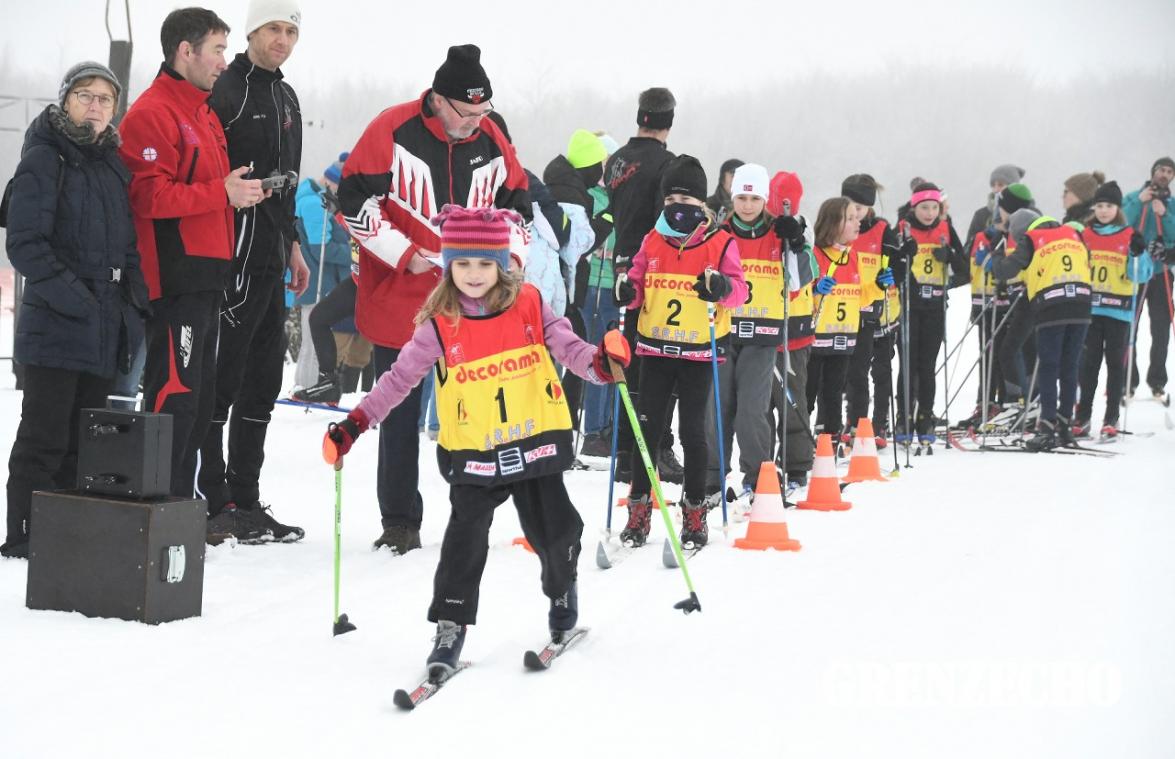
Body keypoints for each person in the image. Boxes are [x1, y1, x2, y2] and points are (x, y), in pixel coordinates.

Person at [321, 206, 629, 677]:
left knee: (556, 531)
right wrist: (356, 423)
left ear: (502, 264)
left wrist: (601, 364)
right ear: (448, 266)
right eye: (462, 264)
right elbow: (398, 379)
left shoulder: (529, 302)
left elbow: (568, 347)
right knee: (463, 543)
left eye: (484, 264)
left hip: (534, 440)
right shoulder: (439, 323)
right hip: (475, 449)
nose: (473, 274)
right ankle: (450, 626)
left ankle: (562, 593)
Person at [335, 44, 530, 554]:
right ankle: (399, 520)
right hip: (402, 298)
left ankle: (478, 506)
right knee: (397, 411)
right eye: (469, 113)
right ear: (439, 101)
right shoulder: (393, 128)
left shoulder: (490, 137)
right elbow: (352, 200)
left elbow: (519, 206)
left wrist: (512, 262)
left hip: (473, 301)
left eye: (485, 112)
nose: (477, 123)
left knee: (480, 405)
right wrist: (404, 254)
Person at [2, 63, 148, 560]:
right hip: (56, 323)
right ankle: (24, 537)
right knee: (43, 436)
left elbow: (126, 248)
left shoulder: (111, 164)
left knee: (84, 443)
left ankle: (63, 531)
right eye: (85, 95)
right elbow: (25, 245)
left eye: (105, 99)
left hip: (104, 325)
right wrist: (78, 300)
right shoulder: (44, 157)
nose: (95, 106)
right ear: (66, 100)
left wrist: (134, 302)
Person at [119, 8, 255, 516]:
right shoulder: (153, 112)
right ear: (185, 51)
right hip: (174, 278)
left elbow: (208, 194)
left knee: (197, 401)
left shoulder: (203, 112)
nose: (225, 61)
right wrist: (221, 192)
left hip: (207, 275)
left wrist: (237, 193)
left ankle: (180, 505)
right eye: (218, 50)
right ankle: (155, 509)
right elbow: (148, 199)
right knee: (173, 393)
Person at [192, 0, 307, 543]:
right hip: (233, 252)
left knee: (263, 383)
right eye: (273, 30)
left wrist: (296, 248)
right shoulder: (228, 89)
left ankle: (246, 496)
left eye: (290, 31)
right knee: (223, 379)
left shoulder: (286, 96)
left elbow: (291, 180)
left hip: (272, 252)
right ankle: (211, 498)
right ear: (252, 32)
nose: (282, 39)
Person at [614, 156, 748, 549]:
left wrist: (721, 287)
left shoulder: (720, 242)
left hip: (697, 353)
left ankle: (693, 510)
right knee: (647, 431)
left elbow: (740, 291)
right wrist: (626, 289)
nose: (677, 205)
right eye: (671, 197)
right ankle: (639, 508)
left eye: (686, 198)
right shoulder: (652, 239)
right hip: (654, 349)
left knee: (693, 432)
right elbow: (637, 282)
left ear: (701, 203)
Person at [705, 162, 801, 501]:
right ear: (733, 198)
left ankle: (758, 473)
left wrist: (798, 241)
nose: (747, 205)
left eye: (755, 198)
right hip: (724, 331)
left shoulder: (780, 232)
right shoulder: (719, 232)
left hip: (762, 334)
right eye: (742, 197)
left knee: (751, 409)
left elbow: (802, 279)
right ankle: (711, 476)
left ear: (764, 199)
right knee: (718, 406)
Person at [603, 87, 684, 484]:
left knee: (627, 355)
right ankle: (654, 447)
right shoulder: (667, 163)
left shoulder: (615, 160)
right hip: (652, 267)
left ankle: (624, 446)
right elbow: (664, 221)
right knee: (658, 357)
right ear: (669, 122)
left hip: (620, 264)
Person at [992, 208, 1092, 450]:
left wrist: (995, 259)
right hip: (1082, 303)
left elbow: (1006, 270)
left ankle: (1046, 426)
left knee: (1048, 366)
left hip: (1053, 305)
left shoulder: (1032, 238)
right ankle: (1065, 425)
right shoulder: (1072, 232)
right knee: (1069, 366)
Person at [1075, 180, 1150, 439]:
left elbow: (1142, 275)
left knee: (1115, 366)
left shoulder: (1129, 235)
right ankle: (1082, 416)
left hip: (1118, 311)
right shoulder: (1086, 234)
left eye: (1109, 206)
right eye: (1099, 205)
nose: (1104, 210)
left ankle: (1111, 419)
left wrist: (1138, 253)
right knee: (1088, 366)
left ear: (1117, 208)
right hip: (1091, 311)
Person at [894, 182, 967, 446]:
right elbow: (890, 261)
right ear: (914, 207)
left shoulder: (946, 229)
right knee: (908, 364)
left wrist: (949, 257)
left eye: (934, 207)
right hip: (909, 306)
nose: (929, 213)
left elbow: (965, 269)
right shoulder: (903, 229)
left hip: (935, 304)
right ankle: (904, 416)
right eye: (924, 207)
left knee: (927, 366)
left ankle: (925, 416)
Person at [840, 174, 901, 448]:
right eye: (850, 205)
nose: (855, 213)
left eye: (860, 208)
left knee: (880, 370)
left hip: (879, 309)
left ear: (870, 208)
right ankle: (854, 421)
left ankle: (879, 422)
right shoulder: (840, 228)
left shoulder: (881, 229)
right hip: (849, 309)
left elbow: (897, 265)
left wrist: (893, 274)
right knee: (854, 372)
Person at [766, 171, 817, 489]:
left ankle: (797, 466)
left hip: (794, 334)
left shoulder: (800, 231)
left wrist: (795, 243)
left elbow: (805, 275)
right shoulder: (759, 229)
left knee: (792, 399)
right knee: (759, 406)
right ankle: (760, 466)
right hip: (761, 329)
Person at [291, 153, 352, 390]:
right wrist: (354, 252)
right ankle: (308, 386)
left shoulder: (309, 197)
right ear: (331, 182)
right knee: (313, 341)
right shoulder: (316, 203)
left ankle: (304, 384)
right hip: (316, 280)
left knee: (311, 337)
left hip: (314, 278)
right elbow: (321, 248)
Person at [806, 197, 861, 442]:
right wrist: (816, 290)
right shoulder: (816, 254)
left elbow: (859, 296)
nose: (857, 222)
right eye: (850, 218)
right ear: (833, 223)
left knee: (834, 394)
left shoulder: (852, 256)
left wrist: (879, 287)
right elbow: (801, 295)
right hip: (816, 340)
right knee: (807, 394)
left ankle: (830, 442)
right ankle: (796, 444)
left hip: (843, 339)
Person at [1123, 156, 1175, 401]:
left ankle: (1157, 382)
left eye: (1169, 171)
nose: (1164, 174)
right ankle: (1127, 381)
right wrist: (1139, 202)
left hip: (1161, 271)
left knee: (1161, 329)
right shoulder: (1135, 197)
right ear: (1153, 172)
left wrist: (1164, 214)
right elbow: (1121, 222)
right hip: (1135, 270)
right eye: (1161, 170)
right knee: (1128, 325)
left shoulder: (1171, 204)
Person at [705, 158, 745, 224]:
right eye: (733, 176)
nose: (737, 182)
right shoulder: (707, 206)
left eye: (741, 177)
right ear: (722, 179)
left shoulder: (751, 209)